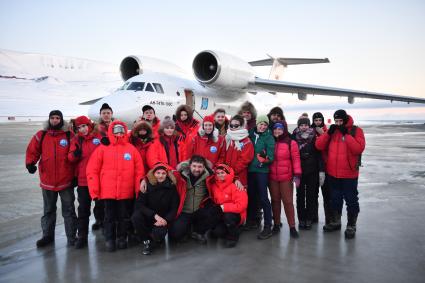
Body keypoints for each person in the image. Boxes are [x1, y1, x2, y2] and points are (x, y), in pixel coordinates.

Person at [86, 120, 145, 252]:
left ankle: (122, 238)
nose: (119, 133)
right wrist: (95, 191)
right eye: (116, 130)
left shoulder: (131, 149)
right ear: (111, 131)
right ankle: (110, 239)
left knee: (124, 216)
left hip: (126, 191)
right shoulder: (102, 148)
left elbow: (139, 171)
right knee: (109, 217)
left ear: (125, 131)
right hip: (108, 192)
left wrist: (137, 190)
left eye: (121, 130)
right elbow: (92, 170)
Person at [25, 110, 77, 247]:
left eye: (57, 118)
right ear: (49, 120)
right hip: (47, 180)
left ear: (61, 120)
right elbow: (32, 150)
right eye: (52, 118)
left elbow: (73, 154)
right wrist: (30, 163)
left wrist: (75, 172)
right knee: (48, 210)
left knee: (69, 210)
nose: (55, 120)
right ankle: (47, 236)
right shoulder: (41, 135)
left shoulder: (69, 135)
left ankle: (72, 237)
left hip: (66, 180)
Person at [316, 109, 365, 239]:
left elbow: (358, 149)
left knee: (351, 200)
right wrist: (327, 134)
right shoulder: (333, 132)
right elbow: (319, 146)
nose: (338, 124)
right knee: (335, 200)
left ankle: (351, 225)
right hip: (333, 173)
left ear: (345, 119)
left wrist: (346, 135)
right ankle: (336, 221)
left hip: (349, 174)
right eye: (336, 121)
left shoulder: (356, 131)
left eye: (340, 121)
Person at [67, 115, 102, 249]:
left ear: (89, 125)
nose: (82, 129)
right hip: (83, 180)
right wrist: (74, 155)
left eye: (84, 126)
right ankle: (82, 236)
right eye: (79, 127)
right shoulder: (76, 140)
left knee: (101, 207)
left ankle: (104, 230)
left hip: (99, 179)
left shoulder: (98, 137)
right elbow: (70, 157)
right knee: (83, 210)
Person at [168, 155, 218, 244]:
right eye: (194, 166)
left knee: (215, 211)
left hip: (199, 210)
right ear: (189, 166)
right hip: (184, 211)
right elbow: (161, 173)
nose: (197, 169)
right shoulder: (180, 175)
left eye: (200, 167)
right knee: (175, 235)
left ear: (204, 167)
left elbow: (225, 175)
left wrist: (236, 179)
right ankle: (187, 229)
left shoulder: (209, 176)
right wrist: (144, 180)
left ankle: (198, 232)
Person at [131, 163, 179, 255]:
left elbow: (174, 207)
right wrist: (154, 215)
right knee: (136, 217)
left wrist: (166, 220)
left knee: (158, 236)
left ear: (167, 174)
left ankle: (153, 238)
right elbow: (140, 204)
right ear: (153, 174)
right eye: (158, 173)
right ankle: (146, 241)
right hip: (149, 216)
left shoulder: (172, 187)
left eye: (163, 173)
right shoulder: (147, 185)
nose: (160, 176)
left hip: (163, 219)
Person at [269, 120, 301, 238]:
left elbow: (296, 159)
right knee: (275, 201)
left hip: (286, 177)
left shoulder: (290, 142)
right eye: (276, 129)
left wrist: (297, 174)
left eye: (280, 129)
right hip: (272, 177)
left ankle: (292, 226)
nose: (277, 131)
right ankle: (276, 224)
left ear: (284, 130)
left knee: (288, 202)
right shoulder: (270, 141)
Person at [206, 164, 248, 248]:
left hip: (236, 214)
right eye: (218, 173)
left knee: (228, 216)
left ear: (228, 173)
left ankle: (233, 237)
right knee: (217, 232)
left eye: (223, 172)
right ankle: (226, 228)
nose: (220, 175)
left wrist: (223, 207)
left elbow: (241, 205)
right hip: (222, 214)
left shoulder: (236, 186)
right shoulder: (214, 186)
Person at [247, 115, 275, 239]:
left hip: (261, 171)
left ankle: (268, 226)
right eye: (261, 124)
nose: (262, 126)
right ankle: (252, 221)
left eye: (265, 124)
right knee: (251, 196)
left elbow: (271, 155)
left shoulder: (269, 137)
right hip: (249, 170)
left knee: (263, 198)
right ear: (256, 124)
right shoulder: (250, 134)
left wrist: (263, 160)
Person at [292, 116, 322, 230]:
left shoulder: (314, 136)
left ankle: (309, 218)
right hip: (299, 171)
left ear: (309, 125)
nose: (304, 127)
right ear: (298, 126)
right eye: (301, 125)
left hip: (312, 170)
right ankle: (301, 219)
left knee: (311, 195)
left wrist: (321, 170)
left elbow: (319, 154)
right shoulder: (294, 136)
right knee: (300, 196)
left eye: (306, 125)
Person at [92, 103, 114, 231]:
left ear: (112, 114)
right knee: (99, 197)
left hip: (113, 164)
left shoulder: (117, 126)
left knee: (110, 196)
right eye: (104, 113)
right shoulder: (96, 129)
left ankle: (110, 219)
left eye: (108, 112)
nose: (106, 115)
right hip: (100, 165)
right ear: (100, 115)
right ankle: (99, 219)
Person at [224, 115, 254, 190]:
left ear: (242, 126)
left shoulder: (246, 141)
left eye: (236, 125)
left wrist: (232, 172)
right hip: (226, 175)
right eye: (231, 125)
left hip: (239, 176)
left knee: (238, 199)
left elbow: (244, 160)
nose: (233, 127)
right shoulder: (228, 138)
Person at [311, 112, 331, 225]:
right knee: (314, 194)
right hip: (314, 166)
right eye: (315, 120)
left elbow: (328, 146)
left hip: (326, 166)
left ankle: (329, 218)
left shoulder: (327, 132)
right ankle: (314, 217)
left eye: (319, 120)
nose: (318, 122)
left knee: (327, 195)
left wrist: (323, 134)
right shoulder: (310, 132)